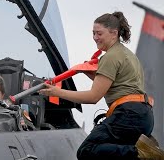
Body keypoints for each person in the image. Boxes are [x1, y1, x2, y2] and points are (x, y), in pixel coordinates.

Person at [39, 12, 164, 159]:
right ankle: (144, 152)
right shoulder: (127, 55)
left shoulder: (110, 57)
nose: (95, 38)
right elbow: (119, 86)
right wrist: (92, 75)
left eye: (99, 33)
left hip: (128, 115)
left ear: (114, 33)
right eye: (93, 33)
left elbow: (93, 97)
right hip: (144, 116)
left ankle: (140, 154)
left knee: (87, 150)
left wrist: (56, 92)